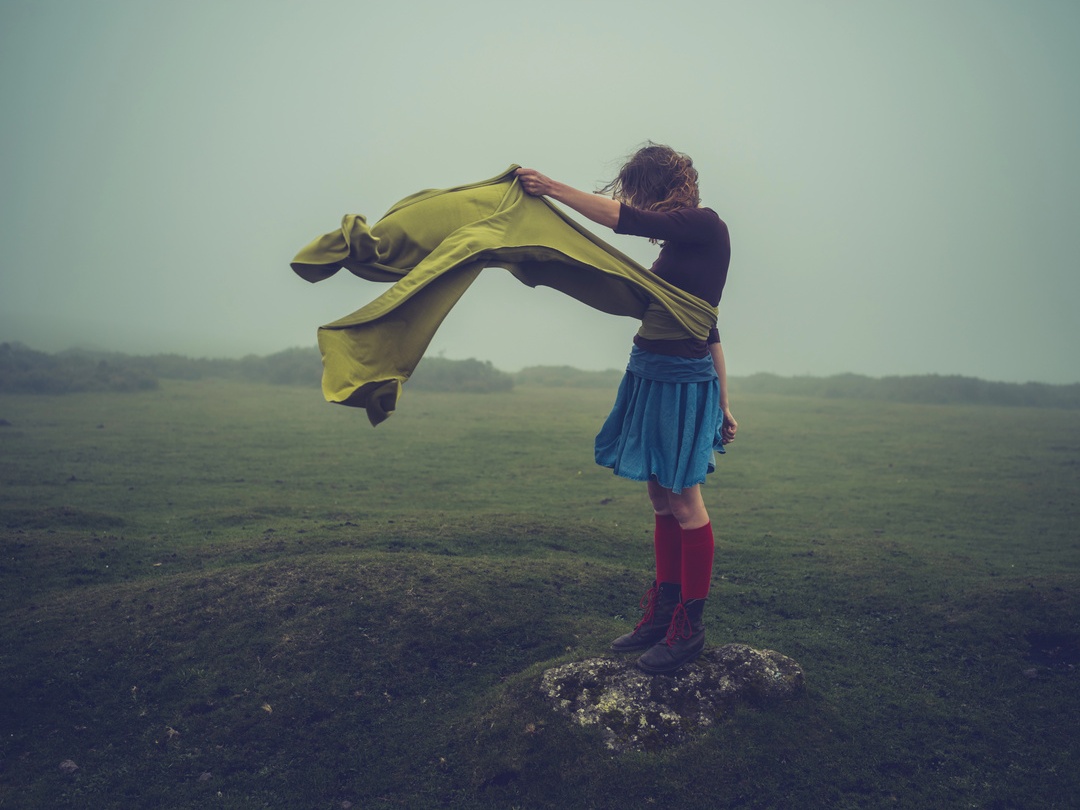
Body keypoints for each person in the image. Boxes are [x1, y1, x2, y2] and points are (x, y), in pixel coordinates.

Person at [516, 143, 736, 675]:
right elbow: (709, 326)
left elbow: (625, 224)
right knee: (660, 496)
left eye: (642, 192)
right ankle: (662, 613)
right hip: (648, 372)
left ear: (662, 187)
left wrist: (552, 189)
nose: (639, 203)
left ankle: (688, 628)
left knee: (684, 499)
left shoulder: (705, 226)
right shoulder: (677, 248)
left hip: (681, 381)